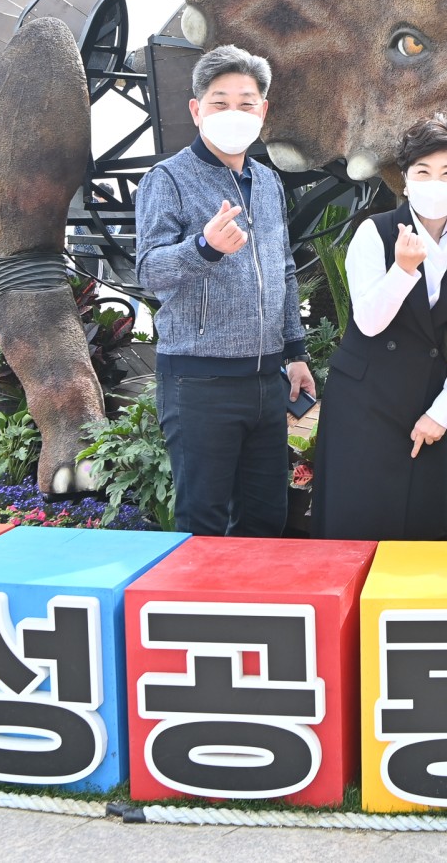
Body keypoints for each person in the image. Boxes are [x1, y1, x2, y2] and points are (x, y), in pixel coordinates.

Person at [135, 44, 315, 538]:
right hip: (199, 382)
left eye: (245, 102)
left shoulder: (268, 182)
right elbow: (148, 271)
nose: (233, 112)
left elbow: (283, 269)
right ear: (196, 110)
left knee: (266, 518)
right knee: (204, 524)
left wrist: (295, 352)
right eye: (219, 102)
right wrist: (204, 248)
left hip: (266, 381)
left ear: (263, 112)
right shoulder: (167, 179)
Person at [312, 117, 447, 541]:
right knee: (355, 519)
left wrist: (442, 411)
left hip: (427, 401)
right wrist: (402, 270)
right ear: (406, 180)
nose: (435, 182)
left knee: (419, 526)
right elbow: (368, 321)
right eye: (423, 171)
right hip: (364, 397)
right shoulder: (374, 233)